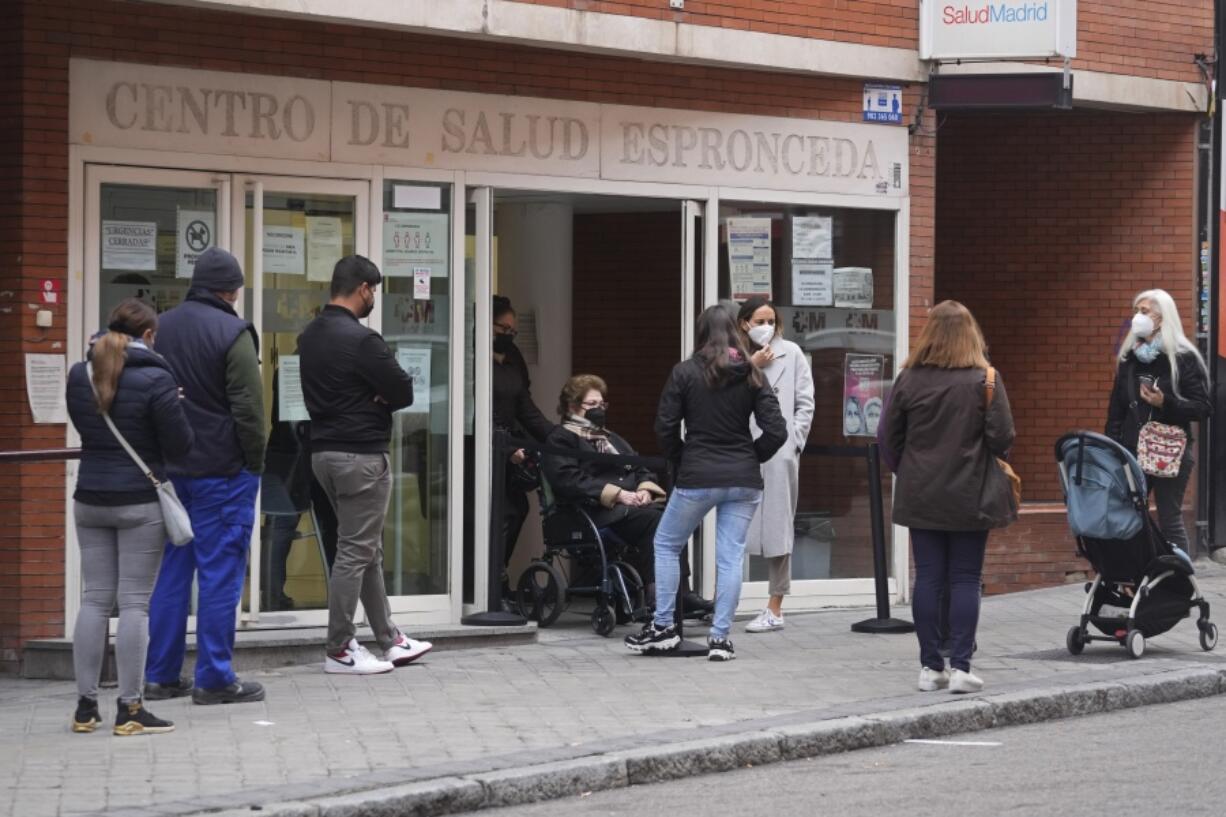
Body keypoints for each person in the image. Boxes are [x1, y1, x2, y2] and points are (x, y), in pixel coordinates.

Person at [626, 306, 787, 661]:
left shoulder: (684, 373)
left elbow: (664, 428)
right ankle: (720, 640)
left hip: (698, 474)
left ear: (701, 333)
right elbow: (777, 430)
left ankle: (664, 626)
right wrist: (749, 457)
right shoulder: (751, 373)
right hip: (744, 479)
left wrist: (682, 459)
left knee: (666, 543)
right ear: (735, 332)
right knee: (729, 558)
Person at [145, 248, 267, 706]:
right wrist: (254, 462)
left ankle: (159, 675)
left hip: (173, 473)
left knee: (173, 572)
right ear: (233, 289)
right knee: (219, 574)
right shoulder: (233, 332)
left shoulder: (161, 327)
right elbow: (249, 411)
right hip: (223, 471)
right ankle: (214, 677)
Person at [299, 255, 433, 674]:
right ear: (362, 289)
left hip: (323, 453)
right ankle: (339, 647)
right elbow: (404, 391)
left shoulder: (309, 336)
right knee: (355, 551)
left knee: (365, 547)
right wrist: (376, 396)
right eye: (373, 289)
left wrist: (373, 394)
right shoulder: (363, 341)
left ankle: (390, 639)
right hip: (360, 456)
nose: (373, 296)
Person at [65, 299, 194, 735]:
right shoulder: (158, 377)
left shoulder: (80, 374)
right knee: (135, 603)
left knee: (95, 599)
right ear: (150, 336)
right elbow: (180, 445)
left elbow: (87, 428)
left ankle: (85, 708)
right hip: (139, 502)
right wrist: (174, 405)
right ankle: (130, 708)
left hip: (89, 498)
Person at [882, 300, 1015, 694]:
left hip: (920, 492)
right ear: (971, 333)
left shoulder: (908, 379)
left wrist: (910, 470)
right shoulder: (985, 379)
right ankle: (960, 667)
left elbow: (889, 438)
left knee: (928, 578)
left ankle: (929, 668)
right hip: (969, 492)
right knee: (965, 578)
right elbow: (1003, 438)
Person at [544, 374, 710, 612]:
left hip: (631, 507)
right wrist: (618, 494)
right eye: (592, 405)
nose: (599, 409)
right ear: (572, 406)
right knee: (657, 521)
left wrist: (644, 490)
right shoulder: (561, 438)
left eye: (602, 404)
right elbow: (568, 479)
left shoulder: (611, 438)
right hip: (593, 511)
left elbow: (640, 467)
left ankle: (681, 592)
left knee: (677, 516)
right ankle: (661, 598)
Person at [1105, 289, 1210, 559]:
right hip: (1131, 450)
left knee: (1169, 517)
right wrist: (1114, 449)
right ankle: (1138, 576)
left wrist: (1166, 402)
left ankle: (1181, 585)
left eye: (1144, 311)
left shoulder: (1183, 357)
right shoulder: (1129, 359)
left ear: (1162, 318)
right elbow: (1116, 410)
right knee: (1127, 514)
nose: (1137, 317)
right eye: (1135, 310)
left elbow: (1202, 408)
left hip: (1169, 452)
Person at [737, 298, 815, 634]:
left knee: (778, 525)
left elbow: (805, 402)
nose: (766, 326)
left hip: (779, 451)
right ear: (744, 323)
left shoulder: (792, 353)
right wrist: (750, 365)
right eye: (759, 320)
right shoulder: (735, 356)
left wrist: (793, 441)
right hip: (740, 449)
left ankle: (775, 605)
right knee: (737, 522)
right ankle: (727, 599)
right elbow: (723, 395)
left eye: (771, 319)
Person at [491, 295, 555, 588]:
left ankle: (497, 573)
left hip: (509, 445)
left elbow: (525, 407)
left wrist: (556, 436)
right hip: (481, 448)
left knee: (517, 509)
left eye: (511, 331)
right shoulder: (471, 356)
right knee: (502, 510)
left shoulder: (513, 357)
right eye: (501, 329)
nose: (507, 336)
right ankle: (487, 581)